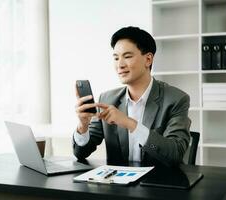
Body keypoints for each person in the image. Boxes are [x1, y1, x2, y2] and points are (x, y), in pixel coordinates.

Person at [73, 26, 191, 166]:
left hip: (159, 184)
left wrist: (129, 123)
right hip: (119, 185)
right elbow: (81, 153)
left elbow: (175, 154)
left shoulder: (176, 99)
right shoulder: (107, 99)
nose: (120, 65)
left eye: (127, 56)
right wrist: (83, 126)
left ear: (148, 59)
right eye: (116, 58)